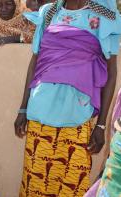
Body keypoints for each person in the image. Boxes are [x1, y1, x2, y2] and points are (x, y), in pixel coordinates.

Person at [14, 0, 120, 196]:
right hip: (40, 115)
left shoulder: (104, 16)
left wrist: (101, 125)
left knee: (71, 186)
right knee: (35, 185)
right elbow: (35, 62)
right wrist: (23, 108)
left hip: (77, 118)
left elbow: (112, 73)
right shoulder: (49, 12)